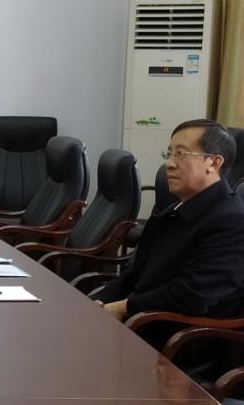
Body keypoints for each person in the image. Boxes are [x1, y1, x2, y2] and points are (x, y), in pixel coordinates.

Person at [93, 119, 244, 332]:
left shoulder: (231, 221)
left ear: (214, 163)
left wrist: (123, 308)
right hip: (140, 319)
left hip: (177, 337)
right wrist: (97, 302)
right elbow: (135, 273)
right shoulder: (176, 209)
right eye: (169, 153)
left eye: (181, 154)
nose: (169, 163)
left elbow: (192, 295)